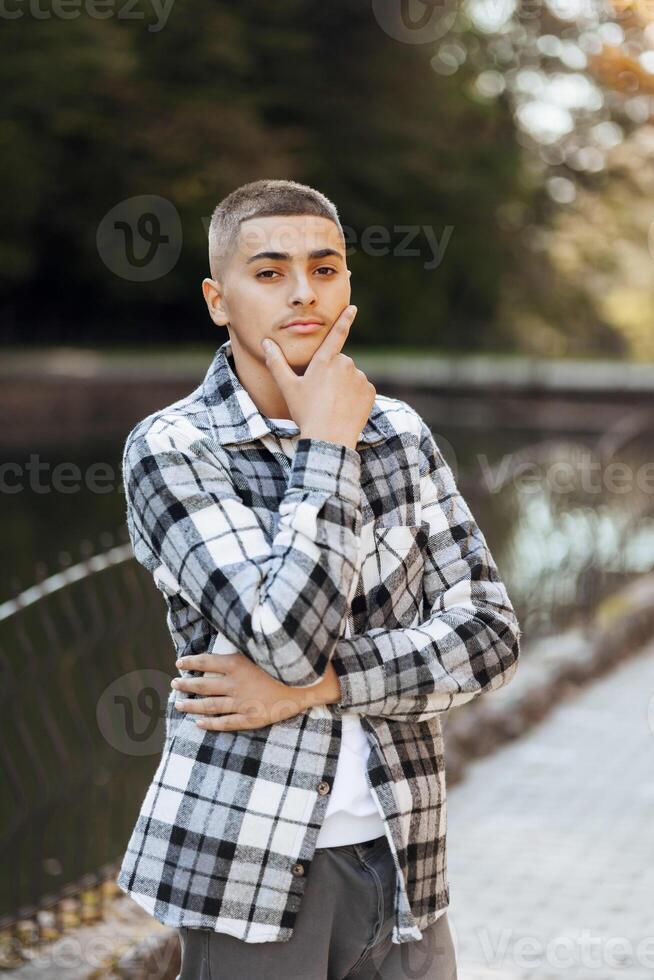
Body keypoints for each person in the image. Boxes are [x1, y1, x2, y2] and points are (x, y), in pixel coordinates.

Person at [117, 178, 521, 979]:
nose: (304, 292)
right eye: (269, 272)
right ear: (217, 299)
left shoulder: (400, 432)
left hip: (407, 859)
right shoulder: (173, 449)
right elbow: (285, 640)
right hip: (249, 871)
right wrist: (327, 449)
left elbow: (490, 637)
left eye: (325, 268)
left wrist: (321, 689)